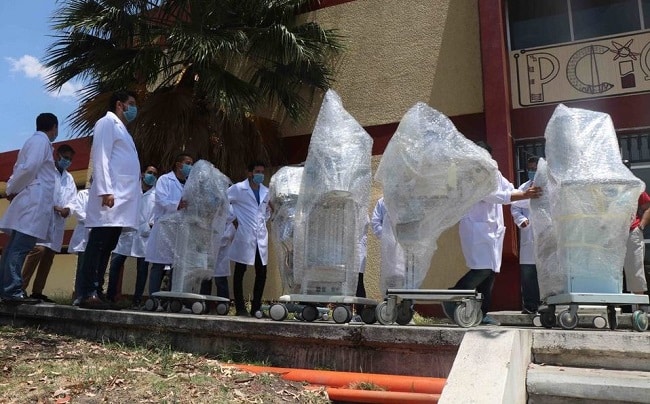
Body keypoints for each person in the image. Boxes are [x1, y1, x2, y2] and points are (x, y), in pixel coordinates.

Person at [446, 141, 541, 326]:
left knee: (490, 273)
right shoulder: (471, 175)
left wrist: (528, 194)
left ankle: (481, 313)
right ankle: (454, 295)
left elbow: (509, 189)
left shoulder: (494, 173)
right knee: (482, 270)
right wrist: (524, 195)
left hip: (492, 231)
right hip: (477, 229)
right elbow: (493, 196)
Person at [77, 90, 141, 310]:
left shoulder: (123, 130)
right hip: (110, 196)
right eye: (131, 103)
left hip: (122, 200)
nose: (134, 108)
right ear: (119, 105)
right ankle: (87, 292)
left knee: (108, 245)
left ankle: (98, 291)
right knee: (98, 244)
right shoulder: (107, 123)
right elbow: (101, 156)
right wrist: (105, 190)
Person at [0, 113, 59, 304]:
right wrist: (12, 189)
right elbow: (29, 168)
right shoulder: (40, 143)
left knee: (13, 248)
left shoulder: (33, 142)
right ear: (54, 127)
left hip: (31, 198)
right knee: (20, 247)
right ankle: (12, 290)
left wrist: (13, 188)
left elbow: (22, 169)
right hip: (34, 200)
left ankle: (5, 289)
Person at [21, 144, 77, 302]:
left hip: (58, 222)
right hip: (43, 217)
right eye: (66, 157)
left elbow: (73, 199)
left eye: (70, 159)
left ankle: (37, 291)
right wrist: (53, 206)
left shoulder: (70, 178)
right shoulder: (46, 171)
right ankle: (20, 288)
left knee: (49, 256)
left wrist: (67, 209)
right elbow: (39, 191)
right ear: (57, 155)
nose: (68, 161)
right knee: (38, 250)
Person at [106, 165, 158, 307]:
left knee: (142, 270)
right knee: (116, 264)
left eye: (154, 174)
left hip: (144, 235)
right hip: (126, 232)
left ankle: (137, 300)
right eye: (149, 173)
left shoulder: (156, 195)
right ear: (142, 174)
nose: (151, 176)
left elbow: (157, 215)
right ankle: (110, 296)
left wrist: (150, 226)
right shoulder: (131, 190)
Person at [145, 154, 193, 295]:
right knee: (158, 265)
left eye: (192, 163)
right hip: (164, 229)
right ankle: (153, 298)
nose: (190, 166)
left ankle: (172, 299)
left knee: (176, 266)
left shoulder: (190, 183)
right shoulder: (165, 179)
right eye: (188, 163)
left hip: (181, 229)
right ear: (179, 165)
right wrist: (177, 204)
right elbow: (161, 199)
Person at [228, 161, 271, 317]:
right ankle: (240, 307)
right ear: (249, 173)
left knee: (262, 271)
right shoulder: (239, 189)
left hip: (260, 237)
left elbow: (265, 212)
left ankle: (256, 308)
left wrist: (267, 215)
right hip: (245, 235)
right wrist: (233, 218)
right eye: (257, 171)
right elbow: (223, 201)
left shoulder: (266, 191)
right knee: (240, 270)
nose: (260, 175)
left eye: (262, 172)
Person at [510, 156, 540, 314]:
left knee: (546, 273)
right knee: (528, 273)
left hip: (545, 236)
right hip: (529, 236)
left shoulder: (549, 187)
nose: (532, 172)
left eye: (535, 169)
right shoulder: (523, 188)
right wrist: (521, 220)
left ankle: (547, 305)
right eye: (530, 169)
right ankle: (530, 305)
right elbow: (514, 206)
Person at [622, 160, 650, 302]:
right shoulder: (608, 187)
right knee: (608, 273)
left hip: (632, 231)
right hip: (611, 235)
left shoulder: (636, 187)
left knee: (635, 271)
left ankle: (641, 311)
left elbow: (647, 207)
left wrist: (641, 226)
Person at [371, 196, 406, 292]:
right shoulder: (383, 202)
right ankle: (388, 298)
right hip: (388, 247)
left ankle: (407, 300)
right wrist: (385, 235)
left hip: (405, 245)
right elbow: (375, 221)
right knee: (389, 276)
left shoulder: (407, 200)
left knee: (405, 277)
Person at [67, 184, 91, 306]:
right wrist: (92, 221)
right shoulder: (83, 194)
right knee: (82, 267)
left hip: (97, 234)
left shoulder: (103, 196)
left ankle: (90, 296)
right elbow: (79, 211)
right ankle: (79, 295)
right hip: (84, 232)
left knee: (94, 268)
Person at [212, 205, 236, 300]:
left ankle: (223, 304)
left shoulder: (230, 208)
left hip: (222, 248)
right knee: (205, 277)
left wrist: (222, 239)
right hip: (207, 245)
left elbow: (231, 227)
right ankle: (204, 304)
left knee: (220, 279)